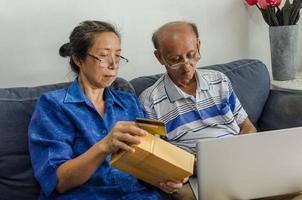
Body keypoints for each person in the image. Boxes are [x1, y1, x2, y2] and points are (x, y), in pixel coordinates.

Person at [28, 20, 185, 200]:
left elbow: (144, 163)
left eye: (118, 56)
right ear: (78, 59)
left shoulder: (128, 102)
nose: (113, 64)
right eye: (104, 55)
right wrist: (104, 146)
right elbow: (59, 181)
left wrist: (163, 179)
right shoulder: (53, 105)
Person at [139, 21, 257, 199]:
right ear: (160, 57)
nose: (186, 66)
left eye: (191, 55)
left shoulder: (220, 81)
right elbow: (156, 159)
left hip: (239, 164)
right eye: (175, 60)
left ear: (198, 46)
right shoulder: (150, 100)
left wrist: (238, 153)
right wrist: (189, 166)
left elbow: (248, 128)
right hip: (195, 176)